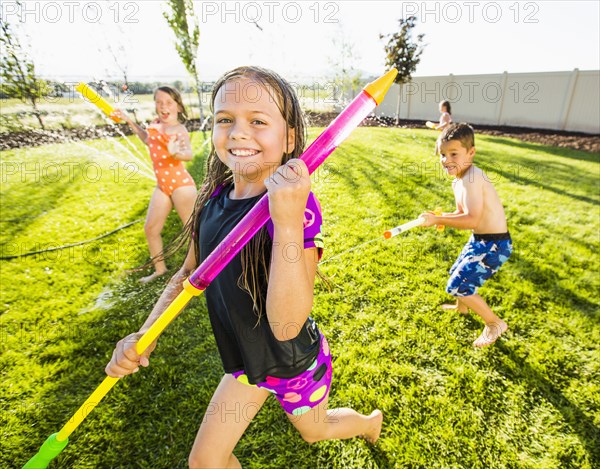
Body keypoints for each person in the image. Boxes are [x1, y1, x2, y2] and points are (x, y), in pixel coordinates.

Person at [105, 66, 383, 467]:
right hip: (245, 365)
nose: (237, 133)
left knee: (314, 431)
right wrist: (147, 333)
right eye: (225, 120)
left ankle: (367, 423)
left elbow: (286, 325)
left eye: (257, 121)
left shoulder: (296, 209)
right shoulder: (212, 199)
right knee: (205, 463)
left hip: (293, 364)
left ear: (289, 137)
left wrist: (286, 222)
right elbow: (187, 275)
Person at [419, 123, 512, 347]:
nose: (446, 160)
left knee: (457, 285)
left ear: (471, 153)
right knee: (457, 272)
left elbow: (472, 220)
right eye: (443, 154)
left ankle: (494, 323)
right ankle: (463, 307)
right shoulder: (459, 179)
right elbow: (462, 213)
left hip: (495, 245)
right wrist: (441, 216)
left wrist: (439, 220)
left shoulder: (473, 178)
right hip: (480, 240)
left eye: (453, 154)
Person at [111, 86, 197, 283]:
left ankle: (195, 269)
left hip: (181, 185)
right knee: (151, 229)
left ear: (178, 107)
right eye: (159, 102)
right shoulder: (156, 124)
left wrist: (175, 153)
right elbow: (148, 140)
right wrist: (128, 120)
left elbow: (188, 154)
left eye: (168, 102)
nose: (163, 106)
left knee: (192, 231)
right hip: (163, 186)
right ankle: (159, 270)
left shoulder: (179, 129)